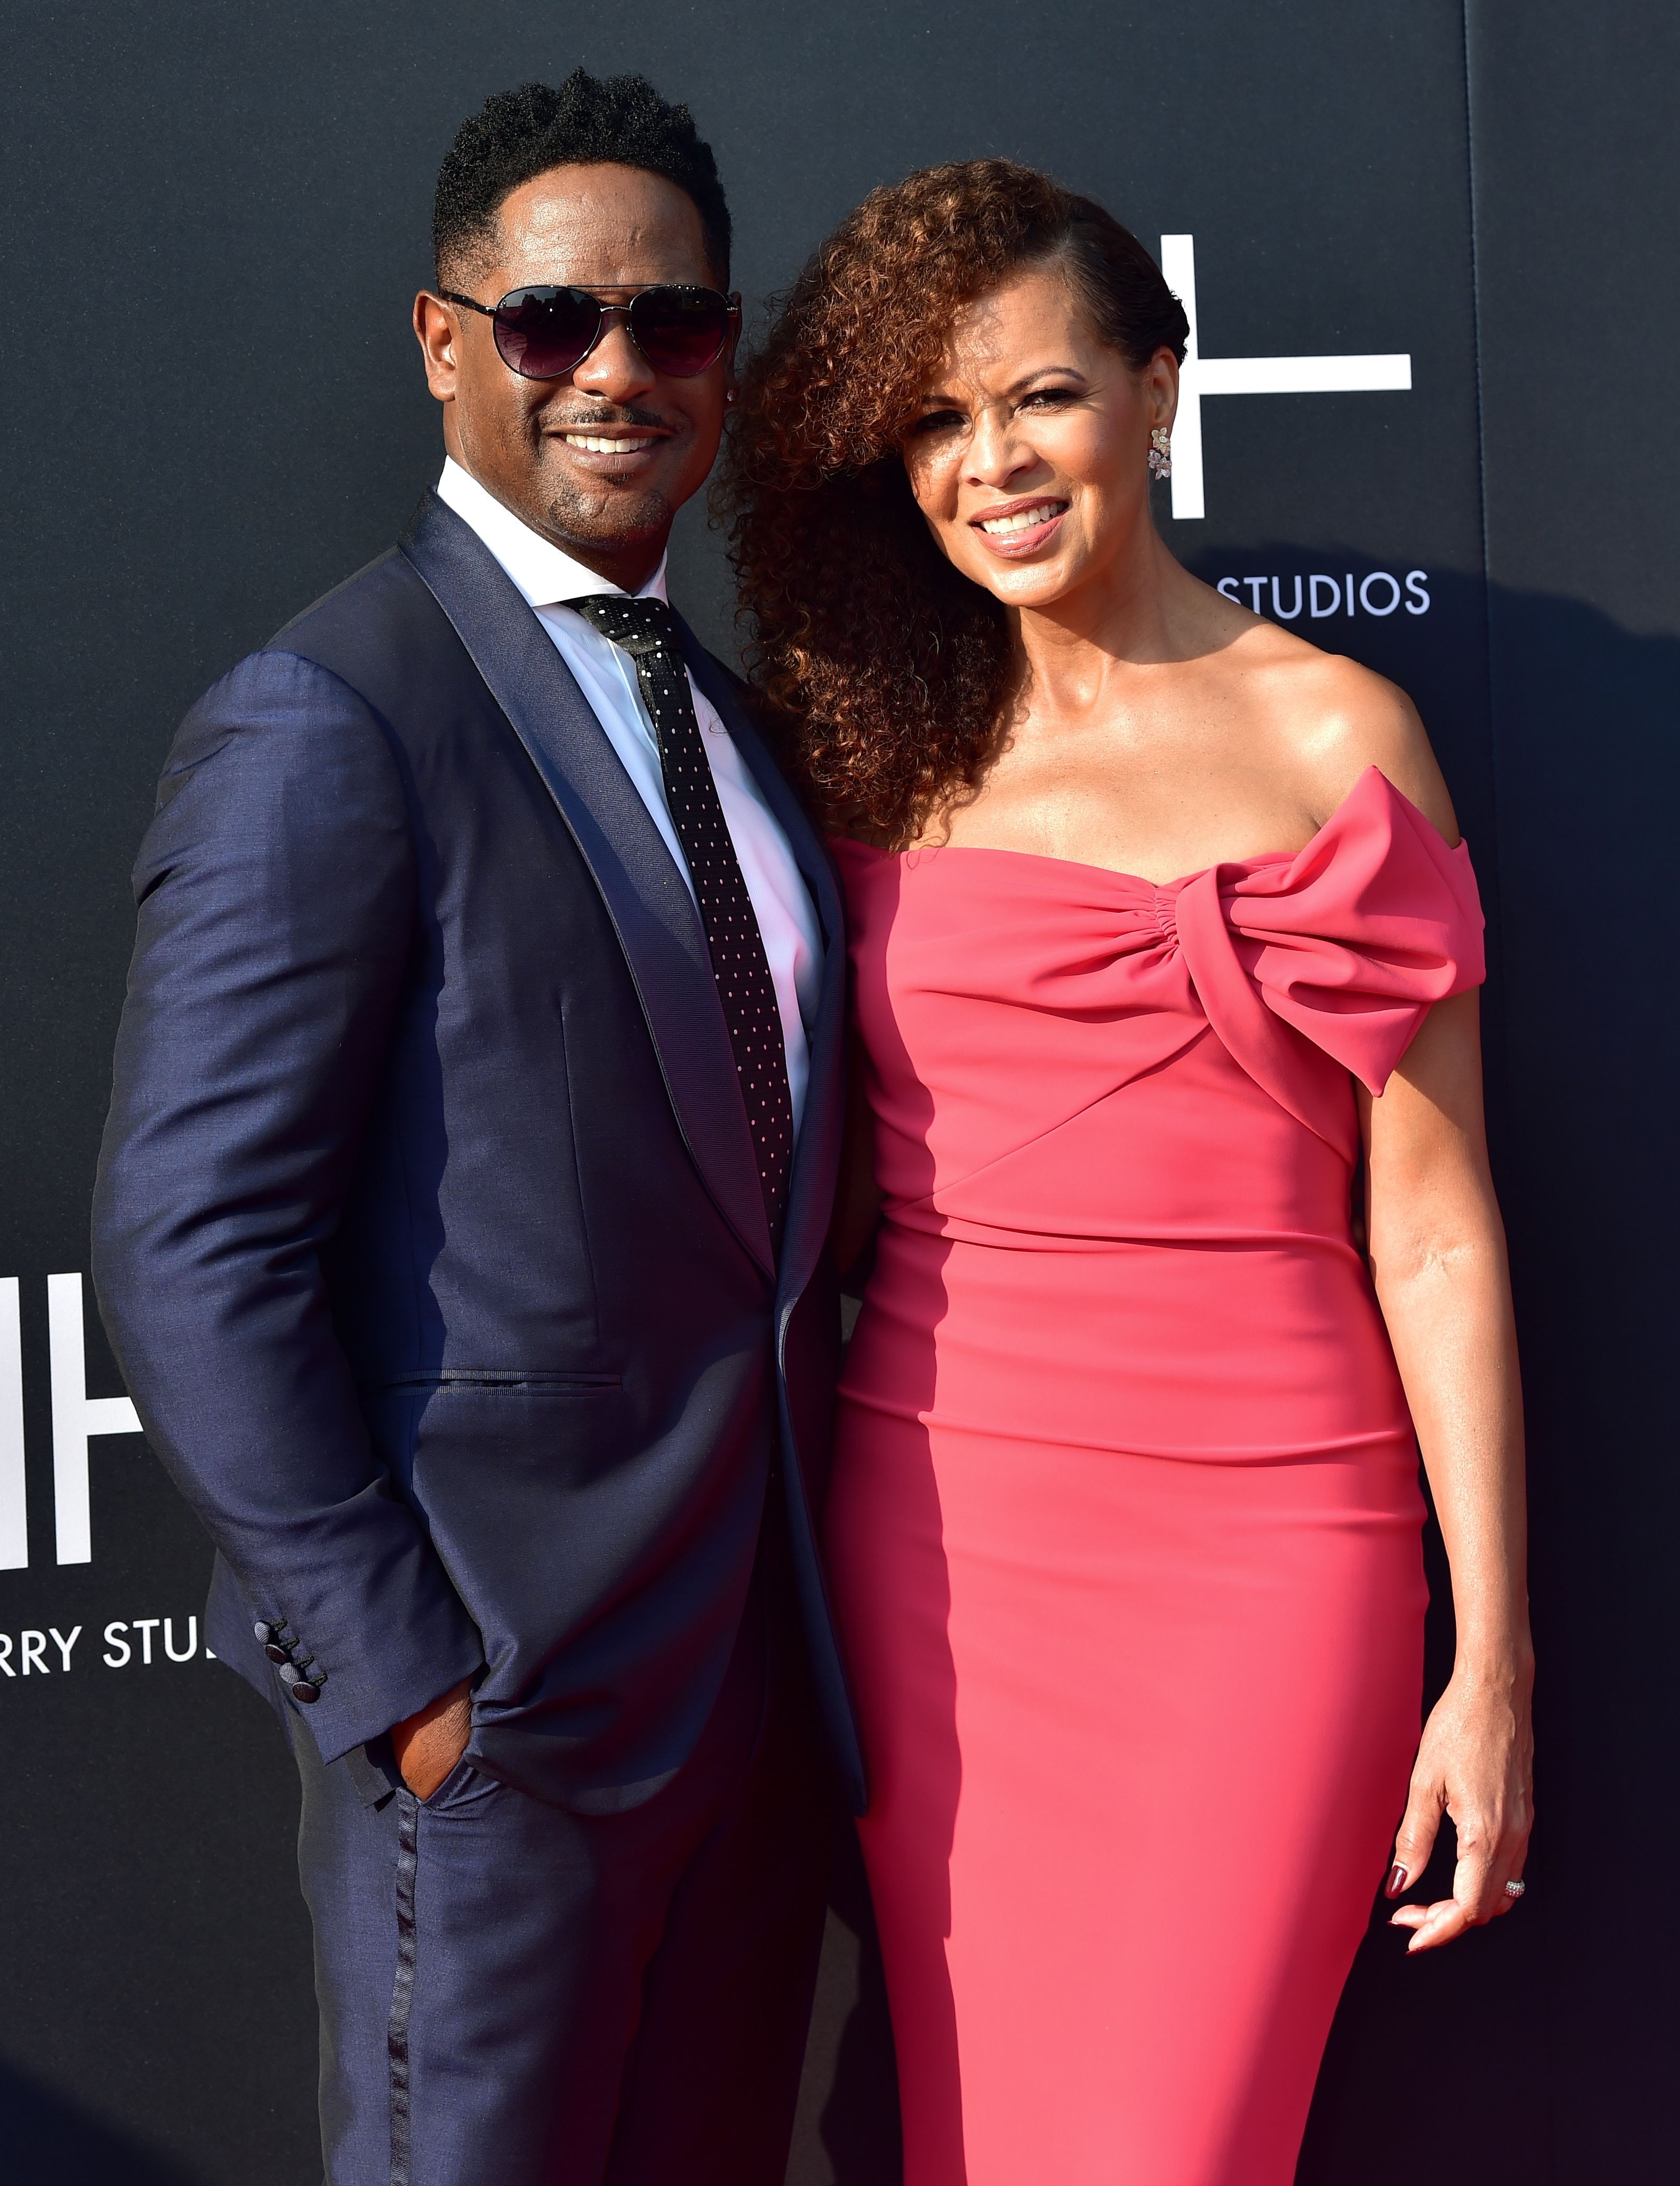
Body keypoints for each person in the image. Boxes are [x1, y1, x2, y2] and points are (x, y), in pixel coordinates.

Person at [721, 159, 1535, 2186]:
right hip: (943, 1554)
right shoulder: (872, 759)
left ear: (1158, 388)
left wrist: (1492, 1660)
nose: (989, 463)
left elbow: (1434, 1231)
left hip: (1275, 1560)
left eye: (1040, 396)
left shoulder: (1337, 734)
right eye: (934, 418)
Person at [91, 71, 861, 2186]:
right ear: (446, 344)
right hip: (507, 1719)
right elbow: (190, 1241)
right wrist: (412, 1682)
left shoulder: (736, 727)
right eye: (551, 321)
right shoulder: (330, 710)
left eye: (672, 321)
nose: (617, 368)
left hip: (753, 1711)